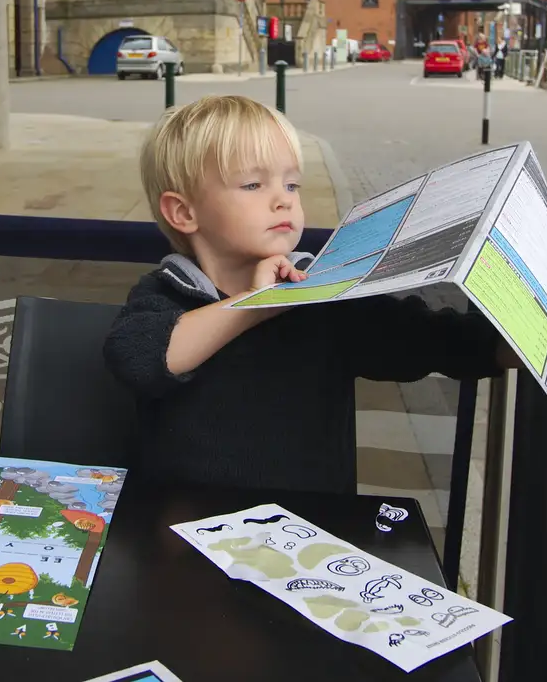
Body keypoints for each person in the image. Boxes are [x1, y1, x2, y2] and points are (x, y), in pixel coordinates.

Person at [103, 95, 511, 493]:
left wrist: (509, 345)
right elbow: (141, 360)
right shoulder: (167, 293)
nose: (284, 200)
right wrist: (258, 304)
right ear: (184, 213)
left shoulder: (322, 299)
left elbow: (425, 339)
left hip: (308, 538)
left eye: (292, 183)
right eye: (252, 184)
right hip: (187, 537)